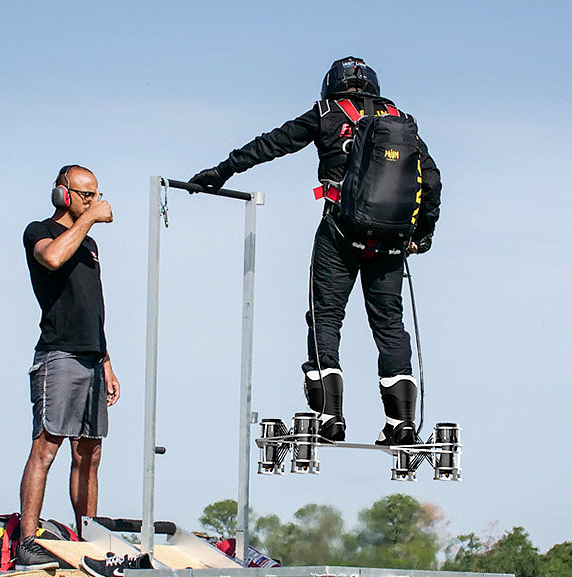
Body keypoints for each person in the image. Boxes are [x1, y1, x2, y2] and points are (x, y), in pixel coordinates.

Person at [188, 57, 442, 445]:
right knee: (390, 326)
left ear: (331, 85)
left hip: (340, 232)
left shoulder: (325, 114)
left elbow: (270, 144)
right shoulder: (401, 122)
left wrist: (222, 171)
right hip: (391, 242)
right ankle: (401, 424)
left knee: (325, 319)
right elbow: (433, 179)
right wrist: (422, 234)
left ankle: (330, 418)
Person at [16, 164, 120, 569]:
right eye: (86, 195)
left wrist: (107, 360)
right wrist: (91, 218)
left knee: (89, 454)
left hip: (93, 358)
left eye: (97, 194)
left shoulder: (91, 245)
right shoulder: (39, 231)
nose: (95, 200)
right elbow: (54, 258)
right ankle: (28, 539)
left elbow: (95, 305)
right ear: (64, 195)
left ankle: (88, 537)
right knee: (47, 446)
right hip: (58, 356)